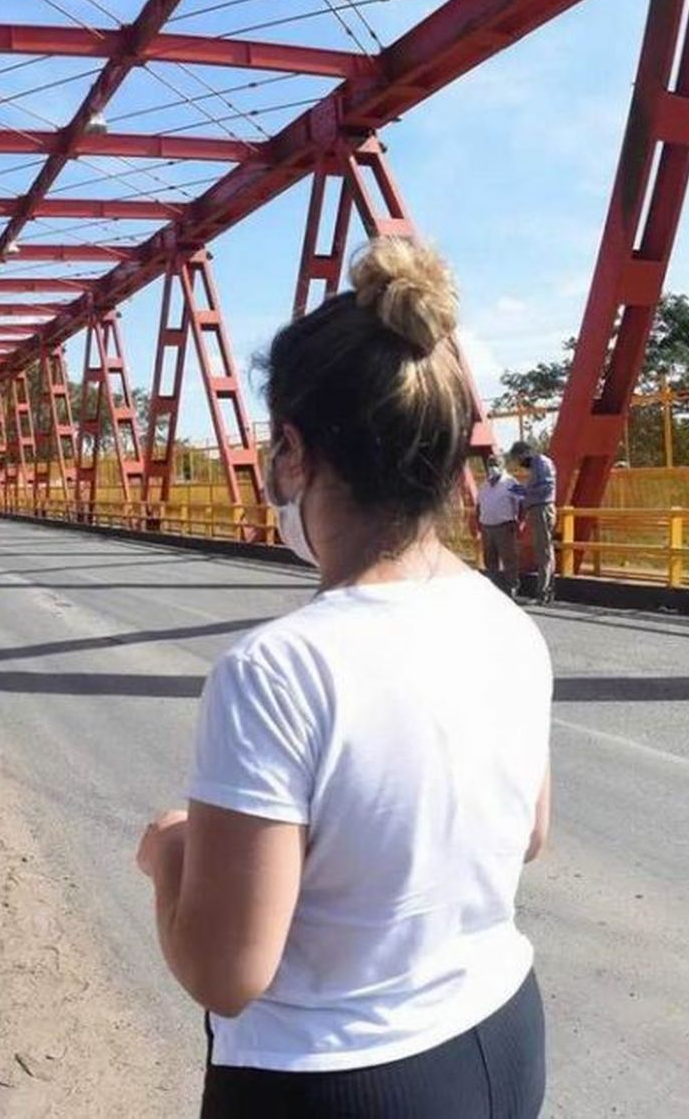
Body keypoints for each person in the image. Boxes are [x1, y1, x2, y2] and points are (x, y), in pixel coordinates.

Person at [137, 240, 553, 1119]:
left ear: (292, 451)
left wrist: (169, 852)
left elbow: (225, 973)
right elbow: (528, 835)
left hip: (335, 1078)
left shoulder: (277, 671)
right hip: (503, 1032)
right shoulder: (504, 619)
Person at [508, 440, 558, 605]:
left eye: (518, 459)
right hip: (538, 509)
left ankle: (543, 593)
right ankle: (545, 591)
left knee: (543, 551)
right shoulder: (538, 465)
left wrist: (525, 492)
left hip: (541, 509)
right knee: (545, 550)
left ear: (524, 454)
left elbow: (545, 488)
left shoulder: (541, 463)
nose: (520, 464)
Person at [475, 454, 525, 597]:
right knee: (490, 559)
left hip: (505, 527)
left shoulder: (511, 482)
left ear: (502, 465)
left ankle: (512, 586)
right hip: (486, 527)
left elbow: (524, 500)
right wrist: (478, 523)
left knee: (509, 558)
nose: (492, 467)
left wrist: (520, 522)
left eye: (495, 463)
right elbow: (478, 506)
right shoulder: (484, 485)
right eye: (490, 464)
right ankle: (494, 588)